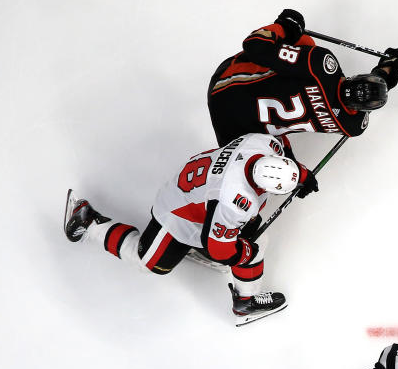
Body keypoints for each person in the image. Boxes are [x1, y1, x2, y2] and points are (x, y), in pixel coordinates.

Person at [63, 132, 316, 325]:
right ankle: (88, 221)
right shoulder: (236, 202)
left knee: (247, 237)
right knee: (149, 263)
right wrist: (244, 253)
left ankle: (244, 299)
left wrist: (301, 175)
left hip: (200, 194)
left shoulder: (261, 144)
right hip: (178, 213)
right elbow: (219, 248)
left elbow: (281, 142)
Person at [207, 8, 398, 149]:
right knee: (277, 173)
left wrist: (285, 26)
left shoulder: (322, 65)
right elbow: (364, 100)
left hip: (225, 86)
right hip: (232, 137)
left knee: (304, 42)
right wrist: (390, 74)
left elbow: (254, 46)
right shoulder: (352, 126)